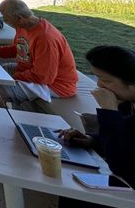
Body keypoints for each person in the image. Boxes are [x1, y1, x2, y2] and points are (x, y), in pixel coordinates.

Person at [57, 46, 135, 206]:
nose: (99, 85)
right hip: (124, 178)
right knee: (72, 187)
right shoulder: (127, 103)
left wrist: (109, 111)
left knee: (78, 195)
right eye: (98, 78)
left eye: (106, 81)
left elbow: (120, 164)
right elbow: (123, 138)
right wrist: (92, 140)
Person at [0, 0, 77, 109]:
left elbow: (43, 77)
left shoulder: (46, 38)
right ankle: (6, 111)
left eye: (6, 18)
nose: (4, 20)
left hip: (55, 85)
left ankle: (3, 118)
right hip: (32, 71)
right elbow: (17, 50)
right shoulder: (22, 26)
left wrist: (12, 77)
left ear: (19, 18)